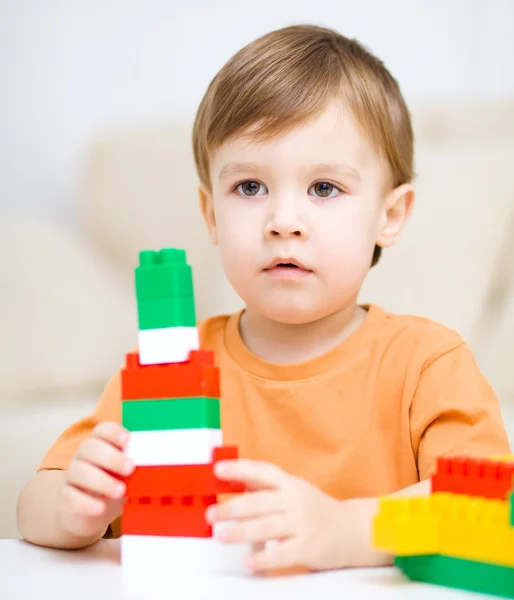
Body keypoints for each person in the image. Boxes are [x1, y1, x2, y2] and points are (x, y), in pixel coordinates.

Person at [17, 24, 510, 573]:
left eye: (324, 188)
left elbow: (489, 512)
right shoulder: (174, 363)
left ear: (389, 216)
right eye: (249, 188)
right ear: (211, 215)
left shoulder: (427, 364)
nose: (283, 222)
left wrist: (347, 529)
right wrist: (71, 509)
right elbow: (34, 503)